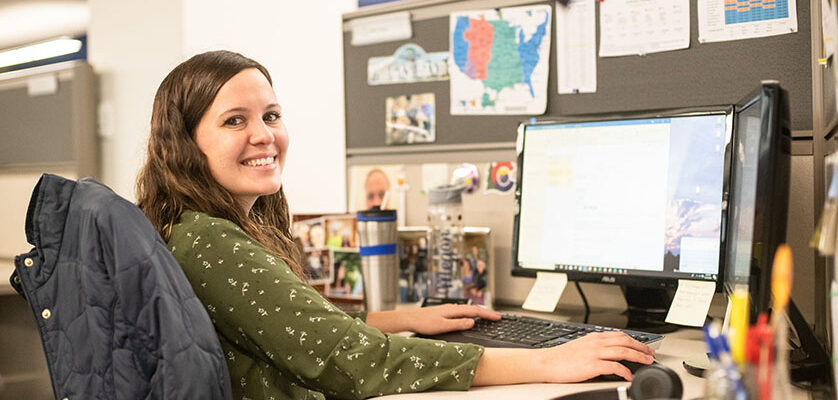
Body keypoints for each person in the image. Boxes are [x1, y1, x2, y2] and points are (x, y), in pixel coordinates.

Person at [136, 50, 654, 400]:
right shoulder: (211, 240)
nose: (264, 135)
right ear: (185, 142)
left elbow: (298, 333)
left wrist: (402, 318)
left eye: (271, 115)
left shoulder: (206, 226)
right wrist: (546, 363)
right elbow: (347, 360)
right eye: (235, 120)